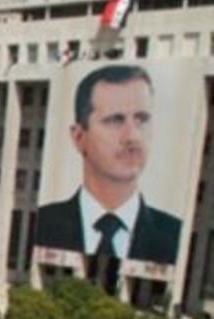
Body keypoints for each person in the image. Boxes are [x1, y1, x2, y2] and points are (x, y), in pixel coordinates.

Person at [34, 63, 180, 295]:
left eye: (141, 119)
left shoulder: (171, 233)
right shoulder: (48, 221)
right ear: (79, 136)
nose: (132, 137)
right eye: (115, 120)